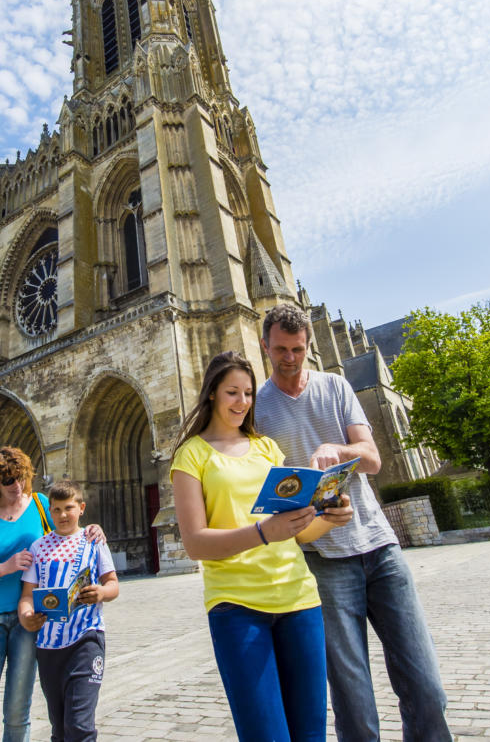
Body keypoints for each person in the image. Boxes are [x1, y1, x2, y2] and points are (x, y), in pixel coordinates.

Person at [256, 302, 453, 742]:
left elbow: (374, 459)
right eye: (281, 349)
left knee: (426, 686)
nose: (290, 358)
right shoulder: (257, 410)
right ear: (264, 345)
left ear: (310, 345)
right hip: (322, 559)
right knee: (353, 698)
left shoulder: (336, 386)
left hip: (379, 548)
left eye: (299, 349)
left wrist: (339, 451)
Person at [170, 350, 353, 742]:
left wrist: (327, 517)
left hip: (300, 600)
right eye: (233, 392)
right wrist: (263, 533)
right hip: (236, 607)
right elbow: (195, 543)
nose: (242, 402)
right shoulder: (191, 455)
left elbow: (296, 533)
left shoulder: (268, 448)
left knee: (311, 735)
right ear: (213, 394)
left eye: (249, 393)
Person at [0, 448, 107, 742]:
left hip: (31, 620)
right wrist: (4, 567)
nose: (17, 486)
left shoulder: (39, 504)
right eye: (9, 480)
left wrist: (92, 529)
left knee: (18, 712)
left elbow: (65, 533)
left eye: (22, 478)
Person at [17, 479, 119, 742]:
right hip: (49, 646)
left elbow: (112, 585)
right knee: (60, 729)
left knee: (80, 725)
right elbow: (27, 595)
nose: (63, 515)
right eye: (57, 510)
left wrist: (101, 593)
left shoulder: (93, 540)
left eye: (69, 508)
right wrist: (27, 617)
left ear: (81, 508)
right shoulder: (38, 547)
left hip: (87, 638)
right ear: (49, 511)